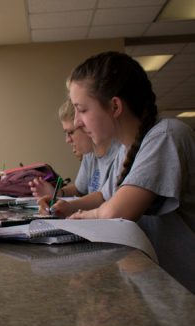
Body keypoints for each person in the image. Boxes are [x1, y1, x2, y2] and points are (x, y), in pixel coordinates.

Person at [38, 51, 195, 292]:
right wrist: (67, 206)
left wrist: (81, 217)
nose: (77, 122)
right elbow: (105, 196)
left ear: (114, 106)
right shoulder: (125, 148)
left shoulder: (166, 136)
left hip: (184, 291)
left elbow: (116, 210)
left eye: (82, 109)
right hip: (159, 287)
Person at [29, 99, 120, 198]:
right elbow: (79, 189)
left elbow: (103, 201)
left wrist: (69, 205)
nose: (67, 140)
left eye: (70, 132)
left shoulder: (120, 155)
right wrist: (57, 193)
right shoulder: (89, 154)